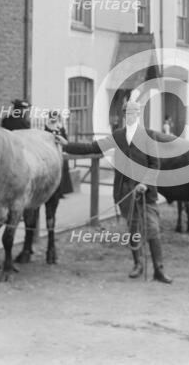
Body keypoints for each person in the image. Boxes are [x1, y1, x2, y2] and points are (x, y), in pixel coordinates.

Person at [64, 100, 172, 283]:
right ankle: (138, 264)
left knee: (152, 229)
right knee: (133, 228)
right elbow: (92, 147)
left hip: (145, 193)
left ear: (138, 114)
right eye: (127, 113)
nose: (131, 115)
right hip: (125, 191)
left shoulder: (148, 136)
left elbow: (155, 165)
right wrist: (67, 145)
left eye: (134, 112)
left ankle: (158, 270)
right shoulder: (118, 136)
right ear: (124, 115)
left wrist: (145, 183)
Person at [45, 110, 74, 199]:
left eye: (56, 117)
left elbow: (65, 138)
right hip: (52, 152)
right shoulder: (48, 126)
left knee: (63, 171)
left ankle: (62, 191)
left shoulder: (60, 127)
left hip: (61, 151)